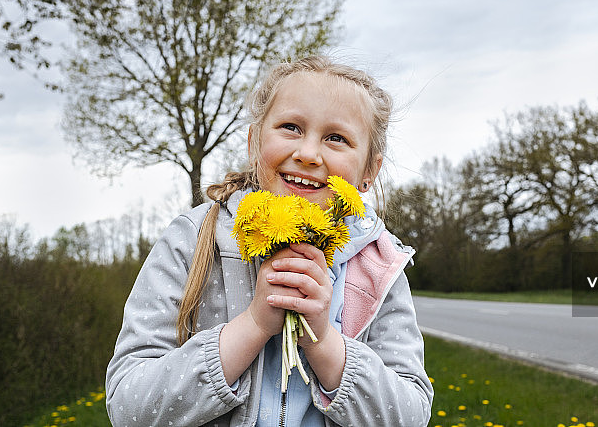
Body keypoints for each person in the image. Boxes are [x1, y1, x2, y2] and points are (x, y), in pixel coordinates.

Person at [105, 56, 433, 427]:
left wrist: (324, 342)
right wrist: (254, 325)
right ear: (254, 141)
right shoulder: (192, 241)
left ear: (369, 171)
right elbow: (128, 406)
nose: (308, 154)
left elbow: (411, 416)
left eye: (336, 138)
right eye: (291, 127)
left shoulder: (379, 268)